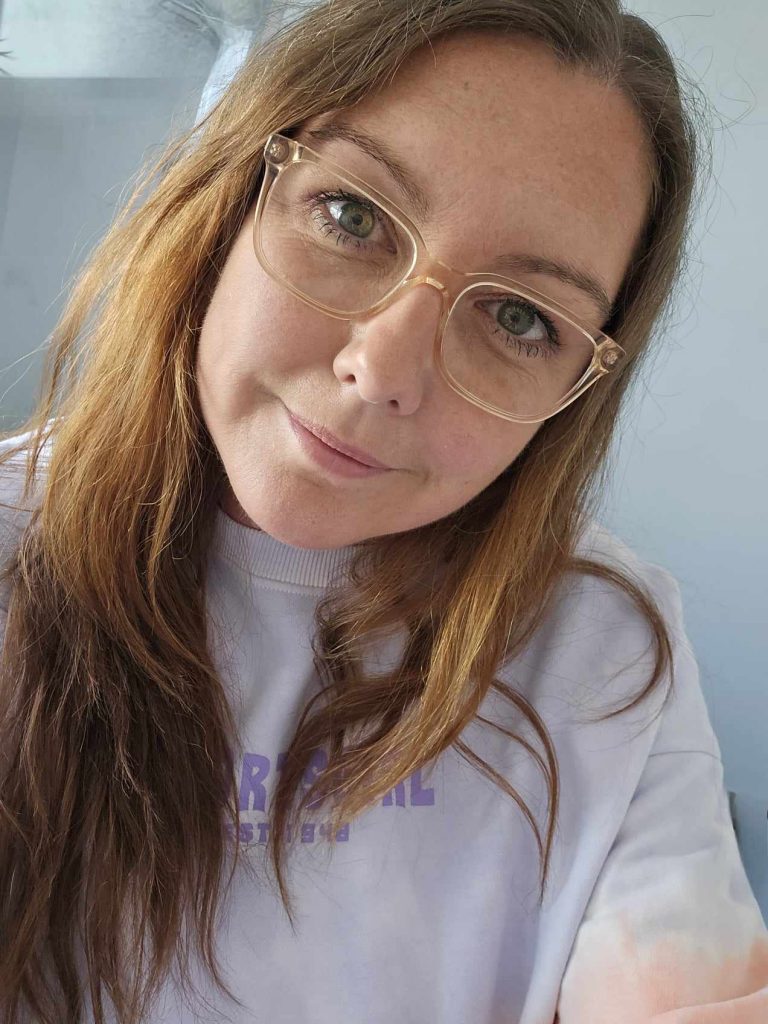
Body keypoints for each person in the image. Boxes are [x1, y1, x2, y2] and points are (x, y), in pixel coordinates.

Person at [0, 1, 766, 1022]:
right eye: (353, 216)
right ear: (234, 195)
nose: (382, 370)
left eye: (520, 317)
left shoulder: (605, 648)